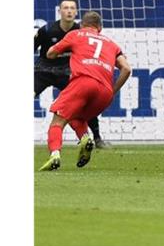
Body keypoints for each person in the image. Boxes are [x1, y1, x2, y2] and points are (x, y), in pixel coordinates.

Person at [38, 11, 132, 171]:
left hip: (83, 82)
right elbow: (127, 69)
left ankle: (55, 155)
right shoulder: (111, 43)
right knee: (76, 117)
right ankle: (85, 138)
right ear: (100, 28)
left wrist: (67, 50)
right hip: (105, 92)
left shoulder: (76, 34)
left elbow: (50, 53)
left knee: (57, 121)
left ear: (82, 25)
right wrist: (113, 90)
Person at [35, 0, 109, 148]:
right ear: (59, 11)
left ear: (76, 12)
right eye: (65, 8)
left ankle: (96, 137)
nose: (68, 11)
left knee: (84, 102)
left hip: (67, 73)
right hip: (44, 70)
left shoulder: (81, 32)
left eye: (72, 8)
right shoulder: (47, 30)